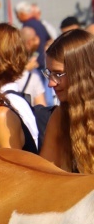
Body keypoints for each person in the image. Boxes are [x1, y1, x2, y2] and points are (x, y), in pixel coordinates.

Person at [38, 29, 94, 173]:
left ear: (82, 72)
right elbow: (46, 174)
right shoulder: (60, 116)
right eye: (49, 73)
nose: (51, 83)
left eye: (58, 74)